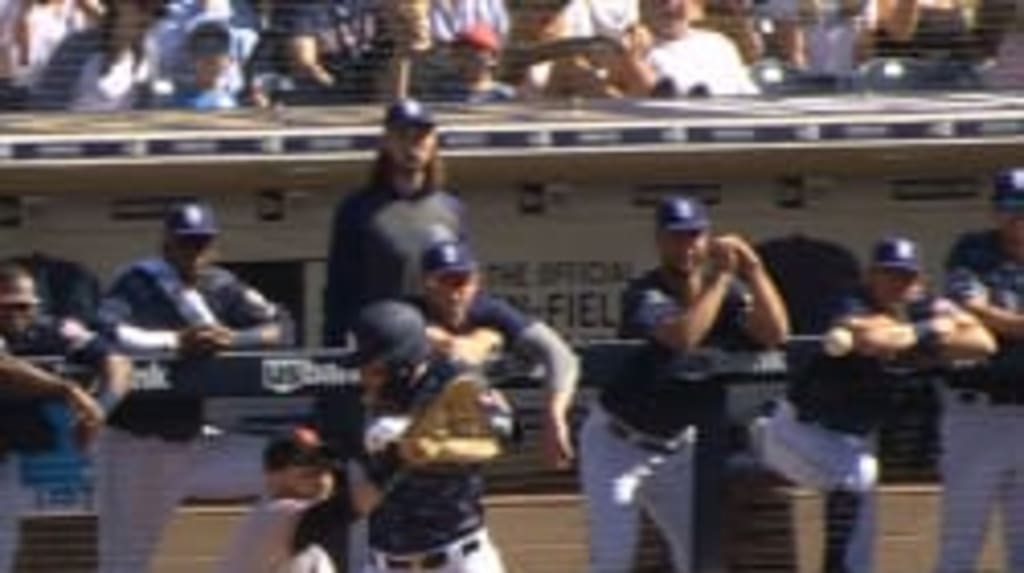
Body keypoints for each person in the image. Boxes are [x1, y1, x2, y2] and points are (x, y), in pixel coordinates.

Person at [751, 236, 996, 573]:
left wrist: (924, 331)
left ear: (919, 281)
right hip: (795, 432)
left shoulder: (922, 305)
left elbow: (983, 343)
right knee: (859, 477)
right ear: (870, 276)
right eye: (889, 274)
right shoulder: (850, 301)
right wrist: (931, 331)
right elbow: (871, 338)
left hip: (853, 439)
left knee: (863, 523)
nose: (898, 283)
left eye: (906, 276)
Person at [579, 195, 789, 573]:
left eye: (695, 235)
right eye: (677, 236)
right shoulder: (645, 291)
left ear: (707, 238)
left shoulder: (723, 295)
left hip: (676, 448)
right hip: (617, 442)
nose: (688, 245)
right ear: (660, 241)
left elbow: (776, 333)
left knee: (703, 556)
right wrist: (724, 277)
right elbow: (682, 337)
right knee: (612, 559)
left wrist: (754, 270)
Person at [95, 200, 293, 573]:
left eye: (202, 242)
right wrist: (174, 342)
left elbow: (281, 327)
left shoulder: (222, 285)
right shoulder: (138, 281)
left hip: (193, 440)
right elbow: (106, 329)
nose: (194, 252)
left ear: (214, 246)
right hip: (137, 441)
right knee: (127, 556)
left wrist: (232, 339)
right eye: (185, 242)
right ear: (166, 244)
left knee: (296, 468)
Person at [318, 98, 466, 570]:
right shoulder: (359, 210)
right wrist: (341, 381)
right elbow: (337, 298)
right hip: (375, 370)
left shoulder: (450, 209)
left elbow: (463, 287)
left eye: (421, 134)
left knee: (436, 484)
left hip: (431, 371)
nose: (413, 145)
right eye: (402, 135)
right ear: (386, 141)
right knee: (368, 490)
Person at [347, 300, 511, 573]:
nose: (366, 378)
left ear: (403, 362)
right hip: (385, 561)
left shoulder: (454, 381)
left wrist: (435, 445)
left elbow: (500, 436)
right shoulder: (365, 398)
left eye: (374, 369)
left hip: (458, 558)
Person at [412, 239, 578, 468]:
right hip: (414, 410)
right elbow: (455, 351)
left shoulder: (490, 311)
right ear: (426, 284)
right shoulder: (408, 315)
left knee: (498, 423)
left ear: (476, 282)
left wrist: (554, 418)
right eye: (442, 282)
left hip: (476, 402)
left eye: (460, 281)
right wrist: (469, 341)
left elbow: (560, 355)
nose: (453, 293)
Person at [0, 262, 116, 573]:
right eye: (5, 307)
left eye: (22, 306)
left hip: (15, 463)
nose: (13, 314)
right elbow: (4, 366)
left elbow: (115, 360)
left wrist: (100, 409)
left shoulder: (55, 328)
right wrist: (69, 390)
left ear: (35, 304)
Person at [937, 168, 1024, 573]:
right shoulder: (972, 249)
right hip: (977, 412)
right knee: (960, 543)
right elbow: (966, 307)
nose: (1018, 218)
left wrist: (997, 319)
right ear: (995, 211)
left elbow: (986, 316)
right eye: (1010, 208)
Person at [219, 426, 338, 573]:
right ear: (273, 475)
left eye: (323, 464)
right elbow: (340, 511)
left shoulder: (314, 549)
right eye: (304, 464)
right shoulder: (276, 514)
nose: (320, 474)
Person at [614, 0, 759, 96]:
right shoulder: (635, 50)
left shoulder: (719, 43)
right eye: (659, 2)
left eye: (678, 3)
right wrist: (634, 58)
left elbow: (748, 95)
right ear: (643, 7)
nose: (669, 7)